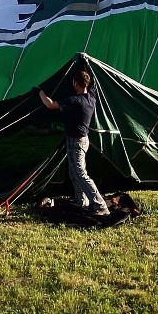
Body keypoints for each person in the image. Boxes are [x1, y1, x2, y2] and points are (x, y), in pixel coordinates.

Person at [37, 69, 109, 215]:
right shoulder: (91, 97)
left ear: (75, 83)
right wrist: (85, 64)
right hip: (82, 141)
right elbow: (94, 82)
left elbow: (50, 105)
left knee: (80, 173)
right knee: (74, 172)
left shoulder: (75, 101)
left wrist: (39, 92)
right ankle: (83, 202)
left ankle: (100, 205)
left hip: (76, 142)